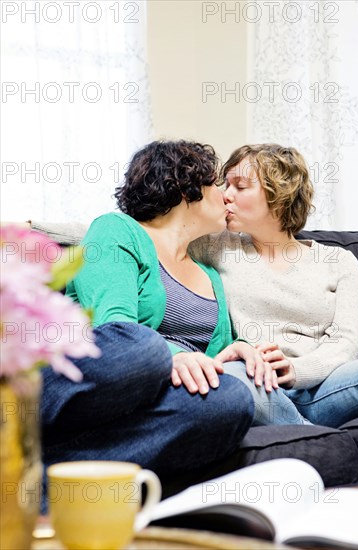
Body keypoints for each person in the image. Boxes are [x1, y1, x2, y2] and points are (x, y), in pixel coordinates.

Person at [42, 140, 264, 511]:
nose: (227, 196)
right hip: (99, 372)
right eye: (216, 184)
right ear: (185, 188)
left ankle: (56, 481)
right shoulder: (118, 230)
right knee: (142, 349)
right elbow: (114, 326)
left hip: (146, 402)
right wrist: (171, 355)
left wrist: (234, 351)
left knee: (230, 399)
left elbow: (205, 368)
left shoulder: (210, 274)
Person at [190, 143, 358, 427]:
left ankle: (301, 433)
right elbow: (161, 237)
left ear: (279, 195)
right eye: (226, 185)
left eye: (240, 186)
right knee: (232, 377)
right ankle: (312, 435)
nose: (226, 195)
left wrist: (294, 369)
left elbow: (344, 344)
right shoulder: (216, 246)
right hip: (258, 385)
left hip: (325, 387)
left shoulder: (338, 261)